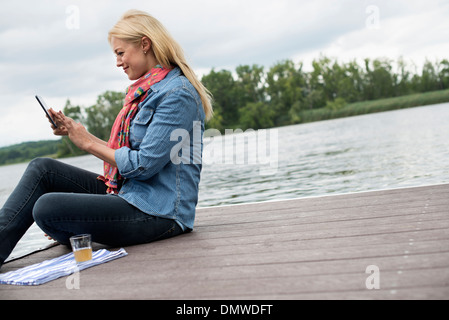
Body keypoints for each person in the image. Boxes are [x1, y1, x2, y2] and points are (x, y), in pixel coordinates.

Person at [0, 9, 213, 269]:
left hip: (160, 213)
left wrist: (86, 143)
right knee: (42, 169)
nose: (118, 62)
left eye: (120, 53)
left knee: (46, 208)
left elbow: (143, 164)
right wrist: (77, 133)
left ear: (145, 44)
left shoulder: (177, 94)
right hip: (128, 194)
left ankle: (72, 224)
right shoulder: (145, 91)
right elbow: (126, 153)